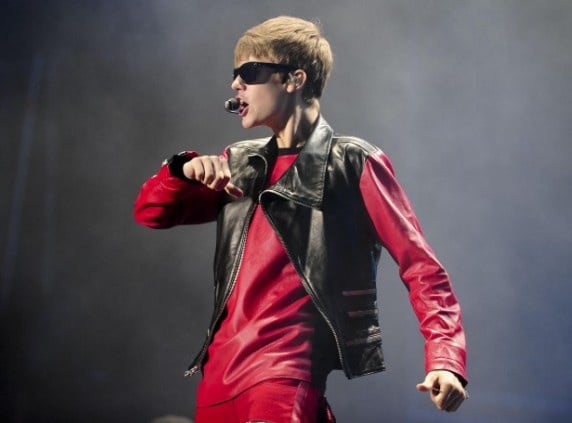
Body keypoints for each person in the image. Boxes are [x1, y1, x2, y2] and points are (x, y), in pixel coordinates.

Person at [134, 15, 468, 423]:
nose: (236, 84)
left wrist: (445, 358)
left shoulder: (352, 161)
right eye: (235, 74)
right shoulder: (237, 162)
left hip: (284, 371)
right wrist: (180, 170)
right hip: (216, 377)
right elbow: (151, 213)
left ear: (294, 79)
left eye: (250, 72)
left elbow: (422, 267)